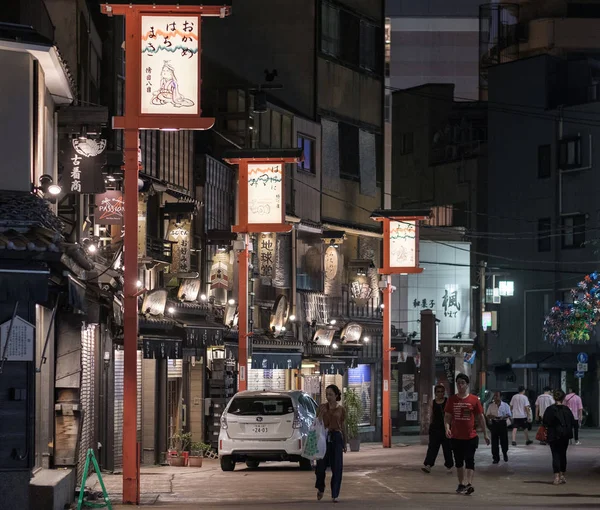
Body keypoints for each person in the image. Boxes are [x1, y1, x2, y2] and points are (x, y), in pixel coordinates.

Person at [444, 373, 490, 495]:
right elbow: (447, 416)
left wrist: (485, 433)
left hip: (471, 437)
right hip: (456, 437)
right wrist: (447, 428)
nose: (460, 385)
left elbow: (480, 417)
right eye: (458, 383)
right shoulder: (452, 400)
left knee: (470, 460)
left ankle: (469, 483)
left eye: (462, 383)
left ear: (467, 385)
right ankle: (461, 483)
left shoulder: (474, 400)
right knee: (459, 462)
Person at [315, 384, 347, 503]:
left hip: (337, 437)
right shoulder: (322, 407)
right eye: (327, 394)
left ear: (336, 395)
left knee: (337, 467)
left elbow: (343, 426)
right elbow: (316, 423)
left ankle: (335, 494)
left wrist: (345, 441)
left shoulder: (341, 409)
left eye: (331, 394)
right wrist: (321, 414)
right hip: (324, 436)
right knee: (320, 466)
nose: (328, 397)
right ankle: (320, 487)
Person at [542, 389, 574, 485]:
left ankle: (556, 477)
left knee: (555, 455)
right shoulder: (567, 410)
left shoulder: (549, 409)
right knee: (563, 454)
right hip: (565, 435)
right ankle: (562, 475)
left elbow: (545, 422)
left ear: (554, 397)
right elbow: (572, 422)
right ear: (563, 398)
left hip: (553, 434)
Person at [422, 384, 454, 474]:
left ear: (444, 392)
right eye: (438, 392)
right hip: (435, 428)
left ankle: (449, 466)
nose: (440, 393)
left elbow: (451, 415)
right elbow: (431, 415)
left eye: (441, 392)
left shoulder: (448, 402)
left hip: (445, 427)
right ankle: (428, 465)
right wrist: (429, 425)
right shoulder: (433, 402)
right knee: (432, 447)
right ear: (435, 393)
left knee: (447, 448)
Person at [486, 391, 511, 464]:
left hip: (502, 424)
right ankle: (495, 458)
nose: (495, 397)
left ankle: (505, 453)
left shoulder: (506, 405)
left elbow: (509, 414)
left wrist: (503, 417)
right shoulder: (491, 406)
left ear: (501, 397)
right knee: (494, 442)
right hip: (494, 424)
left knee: (504, 441)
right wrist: (492, 417)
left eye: (497, 396)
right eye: (494, 396)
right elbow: (487, 415)